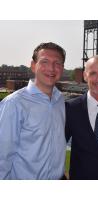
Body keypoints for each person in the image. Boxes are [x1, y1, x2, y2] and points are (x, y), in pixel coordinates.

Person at [0, 42, 67, 179]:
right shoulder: (15, 103)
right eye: (44, 62)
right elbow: (2, 157)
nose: (51, 68)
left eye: (57, 63)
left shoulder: (60, 101)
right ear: (33, 65)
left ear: (62, 68)